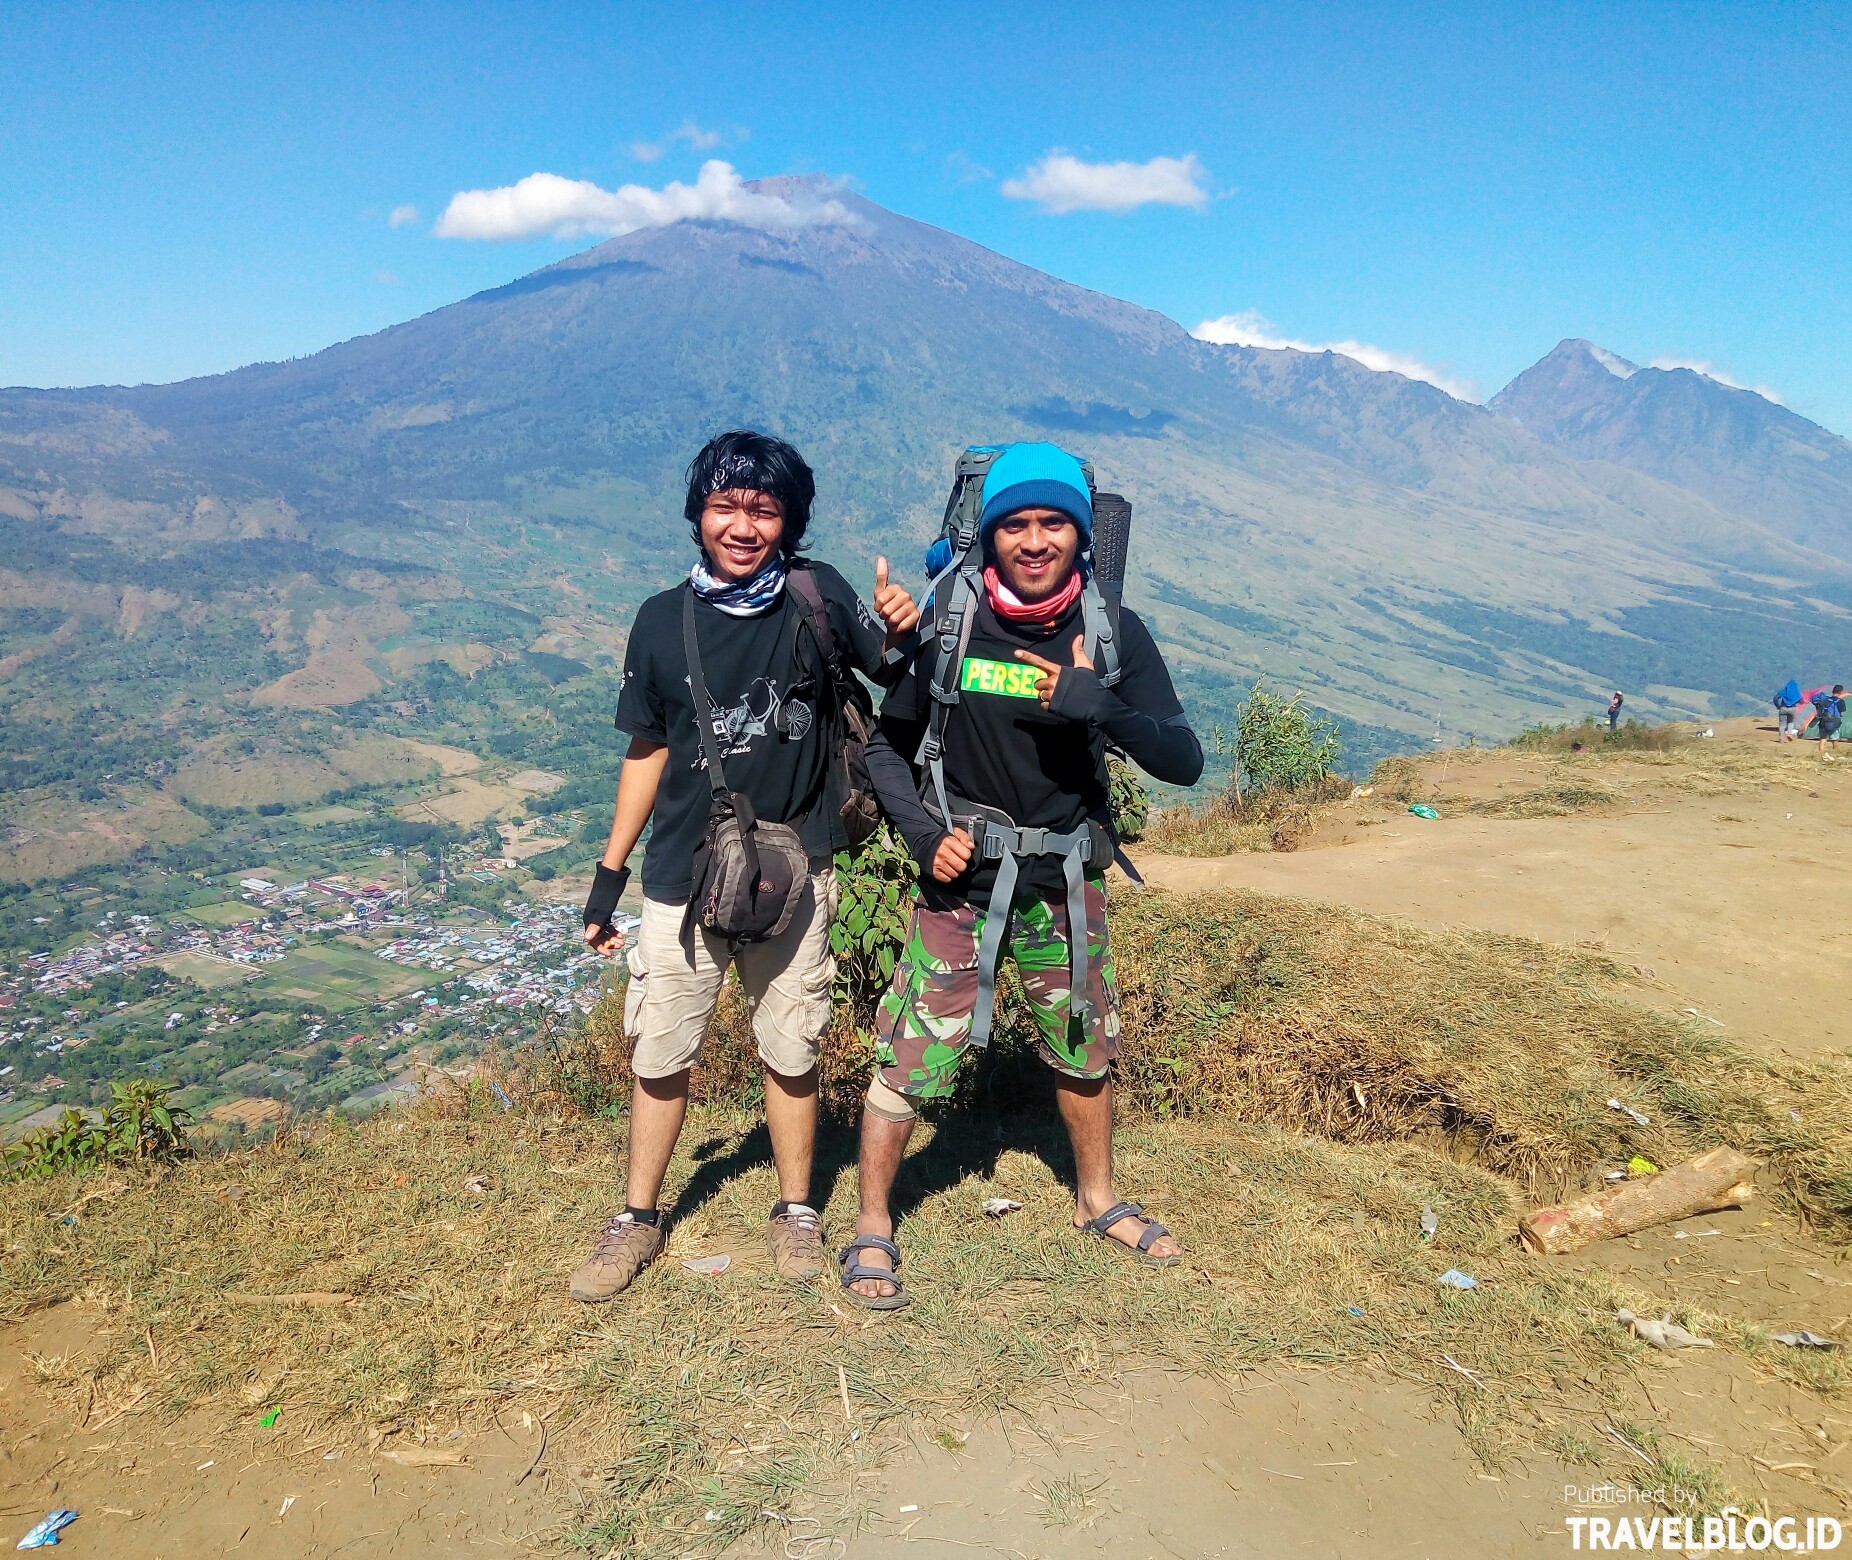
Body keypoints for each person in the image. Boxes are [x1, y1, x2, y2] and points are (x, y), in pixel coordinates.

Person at [840, 442, 1204, 1308]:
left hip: (1066, 886)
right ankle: (871, 1223)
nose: (1034, 541)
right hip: (958, 884)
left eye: (1052, 524)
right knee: (908, 1061)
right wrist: (927, 836)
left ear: (1079, 536)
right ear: (988, 533)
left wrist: (1100, 707)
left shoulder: (1111, 635)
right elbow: (886, 747)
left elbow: (1184, 760)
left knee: (1084, 1051)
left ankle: (1097, 1202)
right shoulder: (947, 622)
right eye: (1015, 524)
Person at [568, 430, 919, 1302]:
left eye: (763, 509)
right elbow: (647, 752)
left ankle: (797, 1209)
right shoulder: (659, 620)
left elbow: (892, 680)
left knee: (790, 1047)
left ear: (789, 520)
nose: (742, 525)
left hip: (798, 868)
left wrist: (903, 632)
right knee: (661, 1052)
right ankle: (637, 1218)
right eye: (725, 506)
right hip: (682, 878)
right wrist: (608, 879)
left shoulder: (816, 596)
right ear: (697, 516)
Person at [1803, 684, 1846, 761]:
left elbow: (1820, 710)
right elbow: (1842, 714)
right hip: (1834, 723)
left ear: (1833, 691)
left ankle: (1821, 754)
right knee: (1834, 739)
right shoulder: (1841, 702)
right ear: (1840, 692)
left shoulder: (1826, 700)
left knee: (1823, 739)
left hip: (1823, 722)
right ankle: (1835, 754)